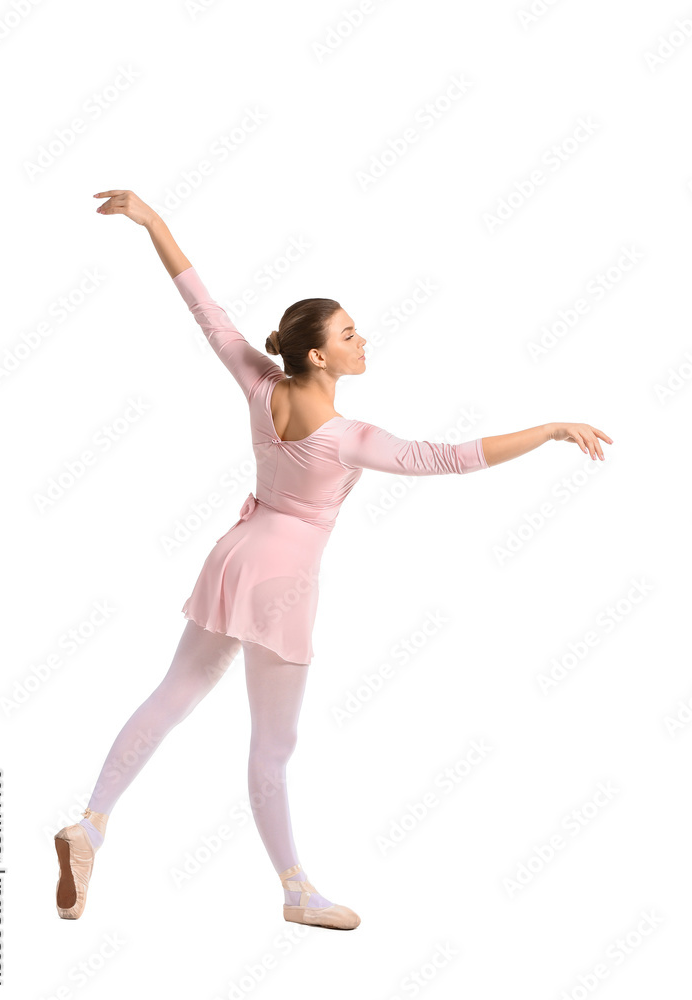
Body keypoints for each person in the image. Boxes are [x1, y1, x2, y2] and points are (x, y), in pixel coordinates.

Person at [53, 190, 613, 930]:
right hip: (282, 581)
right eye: (349, 334)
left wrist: (154, 223)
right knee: (274, 746)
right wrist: (545, 429)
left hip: (232, 557)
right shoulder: (348, 436)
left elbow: (207, 311)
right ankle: (295, 892)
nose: (362, 340)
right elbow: (447, 457)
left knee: (173, 694)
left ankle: (91, 823)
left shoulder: (260, 384)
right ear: (319, 354)